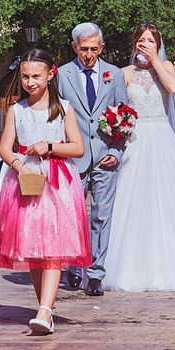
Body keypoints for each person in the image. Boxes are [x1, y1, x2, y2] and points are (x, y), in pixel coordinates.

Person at [102, 24, 175, 292]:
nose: (146, 44)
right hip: (135, 140)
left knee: (167, 201)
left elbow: (173, 88)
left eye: (151, 41)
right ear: (134, 45)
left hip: (161, 139)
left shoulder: (166, 67)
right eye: (141, 40)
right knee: (132, 201)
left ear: (158, 45)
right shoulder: (124, 73)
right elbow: (114, 105)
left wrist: (155, 61)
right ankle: (129, 267)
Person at [0, 48, 90, 334]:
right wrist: (20, 165)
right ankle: (44, 306)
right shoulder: (16, 110)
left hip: (57, 182)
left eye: (36, 76)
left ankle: (45, 310)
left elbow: (78, 147)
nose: (30, 82)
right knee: (33, 247)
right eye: (24, 77)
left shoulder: (64, 109)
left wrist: (49, 146)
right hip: (26, 181)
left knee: (53, 245)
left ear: (50, 73)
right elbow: (5, 148)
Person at [57, 22, 127, 296]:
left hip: (105, 157)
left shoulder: (115, 75)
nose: (89, 54)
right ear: (74, 47)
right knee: (73, 216)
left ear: (102, 47)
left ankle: (96, 274)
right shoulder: (63, 75)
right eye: (83, 49)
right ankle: (74, 267)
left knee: (101, 216)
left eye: (94, 49)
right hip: (74, 160)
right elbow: (57, 118)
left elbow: (125, 114)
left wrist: (116, 152)